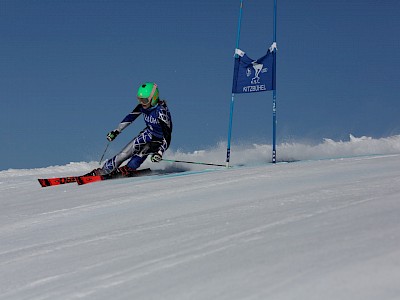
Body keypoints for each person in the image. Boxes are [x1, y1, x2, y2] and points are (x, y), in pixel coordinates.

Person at [93, 82, 172, 176]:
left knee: (142, 153)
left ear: (153, 99)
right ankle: (104, 170)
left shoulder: (161, 112)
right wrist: (117, 131)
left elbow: (167, 135)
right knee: (125, 153)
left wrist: (159, 153)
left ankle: (129, 168)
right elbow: (130, 118)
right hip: (148, 133)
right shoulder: (143, 107)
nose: (142, 103)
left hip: (159, 140)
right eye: (140, 100)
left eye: (145, 100)